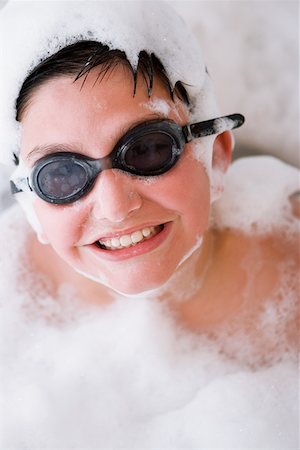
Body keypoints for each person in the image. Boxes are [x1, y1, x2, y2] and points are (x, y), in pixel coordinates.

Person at [0, 0, 298, 348]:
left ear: (215, 155)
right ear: (32, 205)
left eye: (147, 149)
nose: (115, 207)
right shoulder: (14, 293)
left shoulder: (289, 269)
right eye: (62, 174)